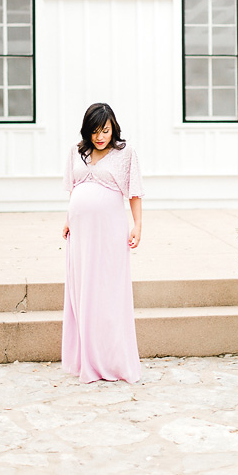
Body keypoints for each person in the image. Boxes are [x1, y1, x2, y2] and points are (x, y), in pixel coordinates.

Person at [61, 102, 143, 384]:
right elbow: (73, 190)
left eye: (105, 130)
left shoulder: (125, 154)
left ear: (113, 129)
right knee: (82, 291)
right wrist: (69, 219)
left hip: (109, 232)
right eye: (95, 131)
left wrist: (137, 225)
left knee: (107, 291)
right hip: (80, 234)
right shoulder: (76, 151)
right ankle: (86, 358)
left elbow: (134, 193)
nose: (100, 137)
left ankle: (111, 359)